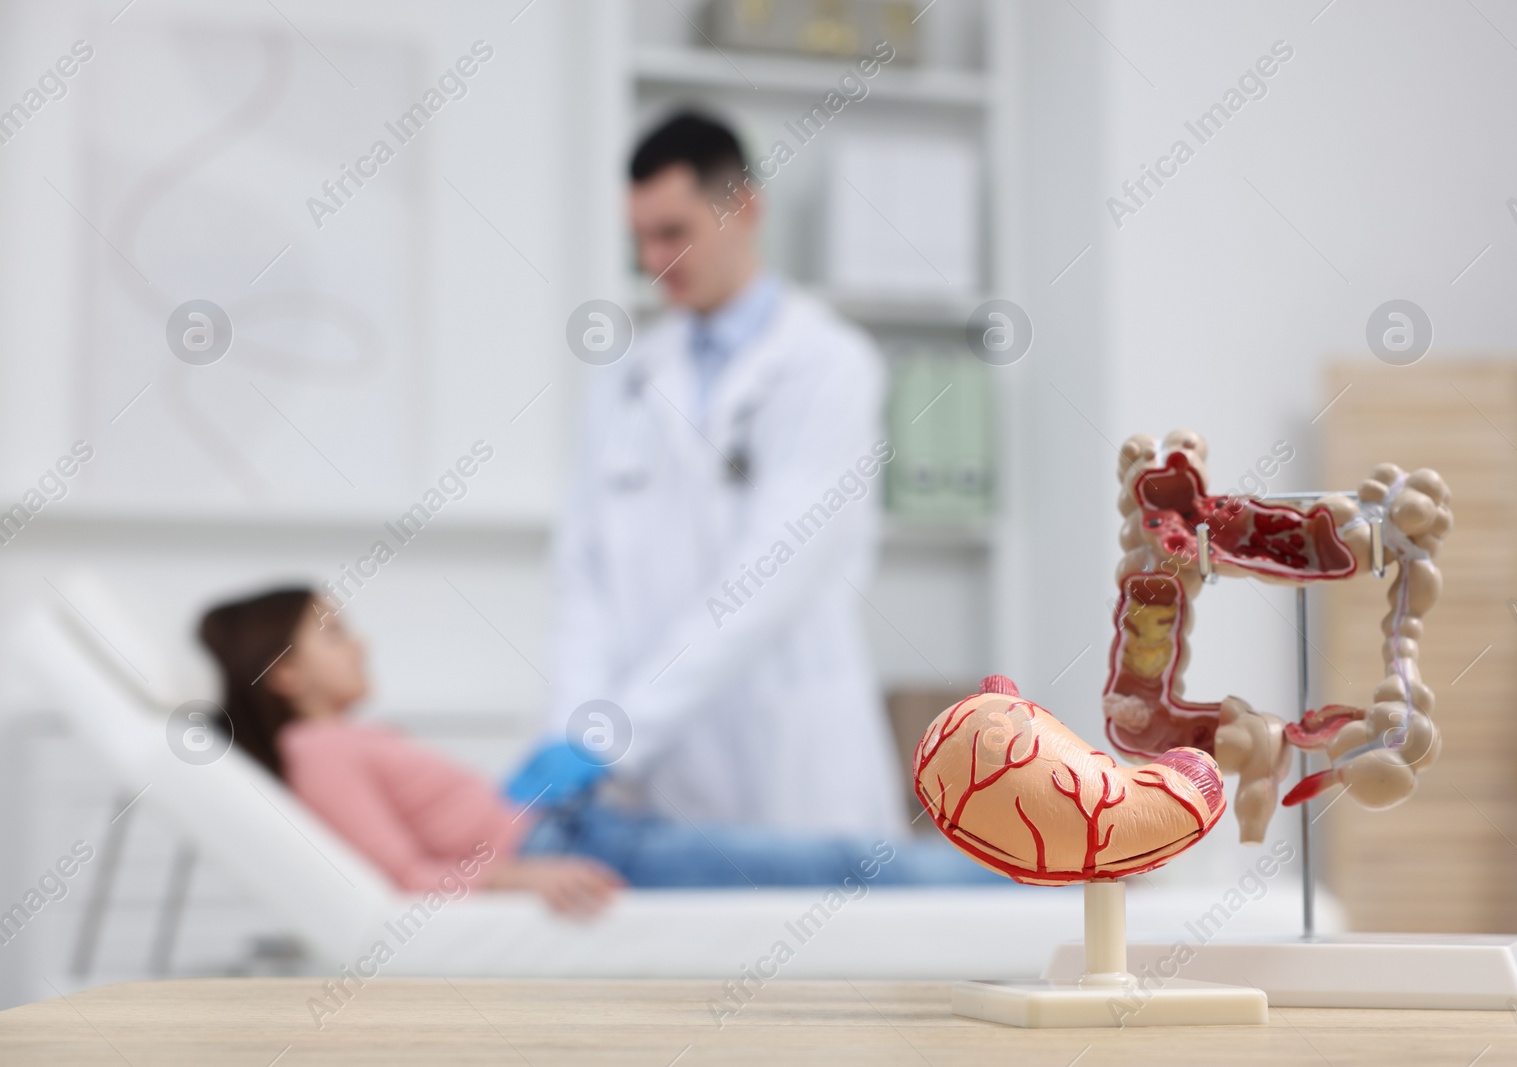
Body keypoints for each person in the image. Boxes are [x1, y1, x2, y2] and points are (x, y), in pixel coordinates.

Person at [510, 111, 903, 837]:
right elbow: (584, 571)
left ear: (744, 208)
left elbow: (768, 574)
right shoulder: (627, 376)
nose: (655, 259)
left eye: (674, 233)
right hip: (658, 770)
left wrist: (616, 734)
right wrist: (575, 724)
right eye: (641, 238)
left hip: (787, 757)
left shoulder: (827, 366)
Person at [199, 588, 1001, 917]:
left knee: (841, 859)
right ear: (287, 672)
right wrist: (520, 873)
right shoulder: (320, 752)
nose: (359, 641)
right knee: (841, 862)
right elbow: (399, 877)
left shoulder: (331, 743)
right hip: (569, 844)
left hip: (571, 824)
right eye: (334, 632)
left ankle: (1055, 873)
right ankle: (1056, 876)